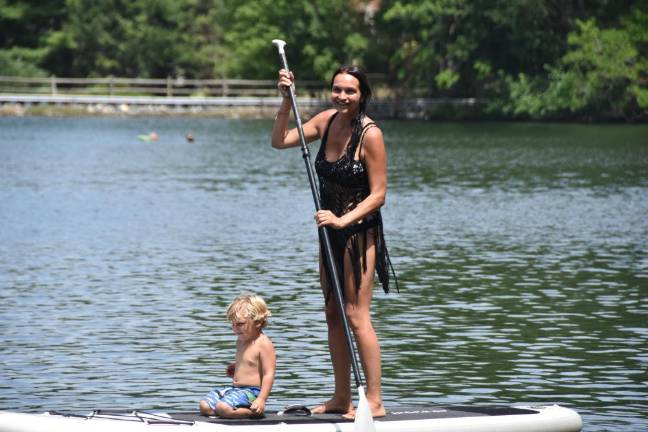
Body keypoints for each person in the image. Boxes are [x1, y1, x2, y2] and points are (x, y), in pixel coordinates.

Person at [271, 65, 397, 419]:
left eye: (350, 91)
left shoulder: (370, 134)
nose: (342, 96)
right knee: (333, 314)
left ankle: (374, 401)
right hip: (329, 232)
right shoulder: (326, 121)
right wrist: (285, 101)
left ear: (362, 94)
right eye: (337, 89)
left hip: (359, 232)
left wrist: (343, 219)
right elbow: (279, 141)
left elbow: (379, 194)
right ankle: (341, 398)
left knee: (357, 316)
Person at [199, 294, 276, 418]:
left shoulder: (264, 344)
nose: (235, 329)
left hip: (252, 392)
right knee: (204, 406)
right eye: (233, 324)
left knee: (222, 407)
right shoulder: (241, 341)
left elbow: (269, 374)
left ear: (258, 322)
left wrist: (262, 399)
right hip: (235, 389)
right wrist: (236, 367)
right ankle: (227, 413)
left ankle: (252, 413)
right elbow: (249, 362)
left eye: (240, 324)